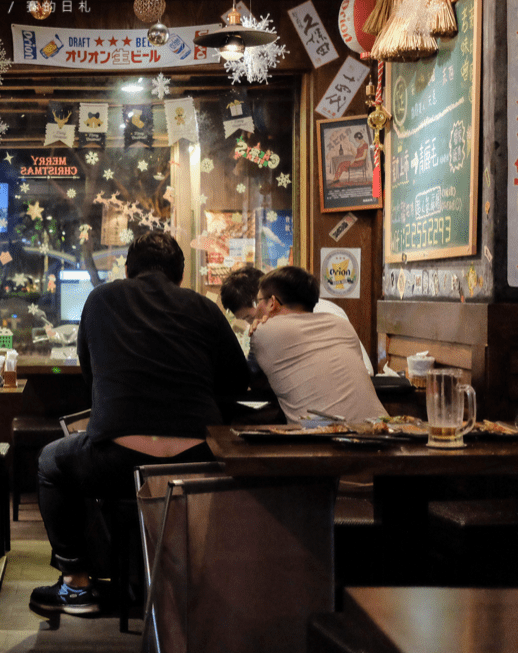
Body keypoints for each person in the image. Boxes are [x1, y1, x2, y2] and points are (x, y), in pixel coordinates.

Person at [30, 232, 250, 615]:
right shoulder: (202, 306)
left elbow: (91, 373)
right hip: (197, 460)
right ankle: (207, 583)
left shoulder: (100, 299)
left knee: (51, 462)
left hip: (117, 463)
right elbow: (237, 381)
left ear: (128, 269)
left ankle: (77, 585)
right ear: (180, 275)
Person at [248, 266, 387, 424]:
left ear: (272, 303)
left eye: (258, 301)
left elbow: (250, 380)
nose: (256, 308)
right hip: (382, 428)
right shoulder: (342, 324)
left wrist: (258, 328)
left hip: (323, 438)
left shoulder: (263, 332)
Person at [221, 265, 374, 376]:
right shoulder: (296, 316)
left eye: (249, 316)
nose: (251, 323)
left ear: (268, 301)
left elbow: (252, 373)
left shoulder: (322, 313)